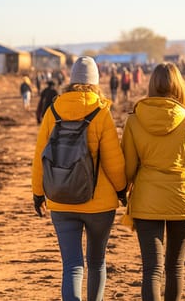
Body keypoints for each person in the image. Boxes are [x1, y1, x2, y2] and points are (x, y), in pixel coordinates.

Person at [31, 56, 127, 301]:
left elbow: (41, 154)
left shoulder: (53, 110)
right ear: (95, 82)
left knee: (72, 265)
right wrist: (121, 190)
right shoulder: (101, 112)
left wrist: (38, 192)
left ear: (71, 81)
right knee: (96, 262)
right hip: (99, 204)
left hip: (61, 200)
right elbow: (113, 160)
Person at [121, 63, 185, 301]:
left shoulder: (134, 120)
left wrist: (124, 191)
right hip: (183, 198)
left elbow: (128, 167)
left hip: (147, 201)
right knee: (175, 267)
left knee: (152, 269)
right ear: (178, 85)